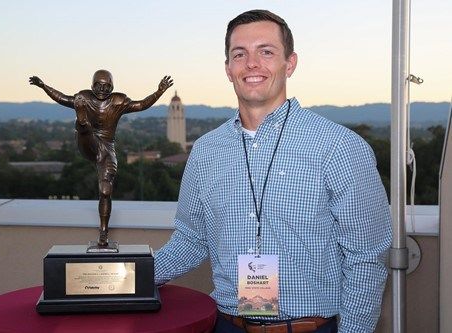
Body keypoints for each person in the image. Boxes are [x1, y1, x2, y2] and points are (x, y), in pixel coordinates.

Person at [154, 9, 392, 333]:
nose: (252, 64)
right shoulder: (206, 151)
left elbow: (367, 259)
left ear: (290, 63)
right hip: (227, 326)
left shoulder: (339, 147)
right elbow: (191, 240)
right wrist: (123, 277)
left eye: (266, 52)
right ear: (228, 69)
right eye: (240, 54)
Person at [29, 71, 173, 246]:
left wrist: (159, 91)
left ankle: (103, 231)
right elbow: (62, 98)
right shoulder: (84, 98)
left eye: (106, 86)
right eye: (98, 85)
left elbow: (141, 105)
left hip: (107, 148)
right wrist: (43, 86)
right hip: (88, 142)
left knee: (105, 191)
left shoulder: (118, 102)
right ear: (92, 86)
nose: (102, 89)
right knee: (84, 127)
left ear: (112, 87)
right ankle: (82, 122)